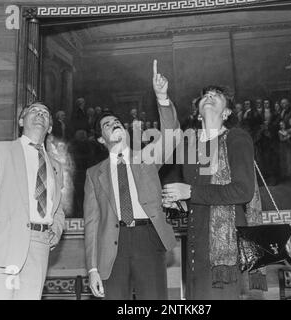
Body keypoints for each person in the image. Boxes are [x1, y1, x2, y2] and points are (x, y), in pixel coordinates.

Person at [84, 60, 179, 300]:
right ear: (100, 140)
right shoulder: (94, 173)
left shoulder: (146, 158)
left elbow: (171, 136)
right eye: (106, 124)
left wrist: (162, 97)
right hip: (111, 247)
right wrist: (93, 268)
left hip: (148, 237)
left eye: (116, 121)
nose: (114, 123)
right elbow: (92, 223)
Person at [162, 85, 264, 300]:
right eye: (205, 96)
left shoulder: (236, 138)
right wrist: (178, 204)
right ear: (198, 112)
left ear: (226, 112)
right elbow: (198, 200)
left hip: (224, 249)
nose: (209, 97)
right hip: (195, 245)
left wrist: (189, 191)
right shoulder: (189, 146)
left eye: (216, 96)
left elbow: (242, 191)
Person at [0, 102, 65, 299]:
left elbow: (57, 207)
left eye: (45, 113)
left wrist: (56, 229)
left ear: (50, 127)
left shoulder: (56, 166)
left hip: (40, 245)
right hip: (4, 243)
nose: (40, 115)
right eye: (34, 111)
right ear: (21, 121)